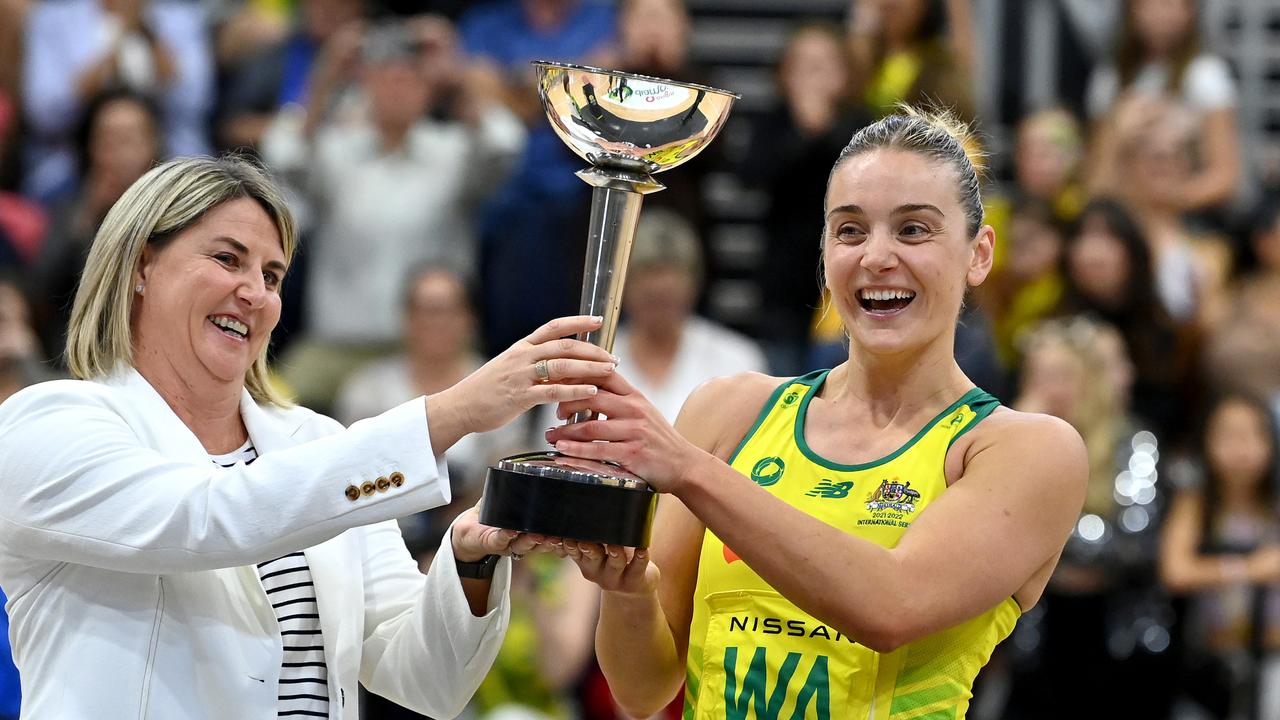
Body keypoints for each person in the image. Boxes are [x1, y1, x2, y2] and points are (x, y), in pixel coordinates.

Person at [0, 156, 619, 718]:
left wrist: (472, 554)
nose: (255, 293)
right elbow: (209, 518)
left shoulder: (316, 444)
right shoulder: (49, 423)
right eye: (227, 259)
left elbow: (428, 680)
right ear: (141, 265)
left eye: (272, 275)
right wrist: (450, 414)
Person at [545, 108, 1088, 718]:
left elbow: (891, 607)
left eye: (913, 230)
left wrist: (689, 470)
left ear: (978, 254)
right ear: (825, 250)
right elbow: (642, 691)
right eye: (851, 231)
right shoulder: (729, 411)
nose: (877, 256)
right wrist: (627, 588)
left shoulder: (1025, 450)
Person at [1160, 393, 1280, 719]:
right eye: (1228, 435)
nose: (1241, 448)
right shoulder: (1196, 503)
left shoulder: (1274, 505)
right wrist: (1248, 569)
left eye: (1253, 434)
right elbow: (1175, 571)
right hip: (1212, 662)